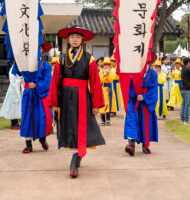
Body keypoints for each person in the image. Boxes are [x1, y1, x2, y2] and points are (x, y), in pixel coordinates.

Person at [49, 27, 105, 178]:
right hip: (65, 98)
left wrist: (96, 104)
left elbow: (94, 82)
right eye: (72, 37)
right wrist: (54, 103)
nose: (74, 39)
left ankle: (75, 160)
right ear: (68, 40)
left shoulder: (89, 59)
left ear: (82, 40)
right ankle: (77, 156)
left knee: (81, 127)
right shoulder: (61, 58)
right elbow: (54, 82)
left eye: (77, 37)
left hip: (82, 96)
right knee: (69, 127)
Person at [20, 42, 53, 153]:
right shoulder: (25, 65)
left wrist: (37, 85)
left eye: (39, 48)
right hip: (28, 93)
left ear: (43, 50)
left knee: (42, 117)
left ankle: (42, 139)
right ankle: (28, 144)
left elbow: (48, 80)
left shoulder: (46, 65)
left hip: (41, 95)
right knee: (27, 117)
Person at [124, 52, 159, 156]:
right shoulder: (132, 72)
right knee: (132, 121)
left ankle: (145, 145)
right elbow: (127, 85)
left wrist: (144, 97)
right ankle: (131, 145)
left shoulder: (152, 73)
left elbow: (154, 89)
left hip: (145, 102)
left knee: (146, 122)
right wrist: (134, 94)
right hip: (134, 100)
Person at [0, 61, 23, 129]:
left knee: (18, 106)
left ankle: (18, 122)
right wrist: (19, 81)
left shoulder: (19, 70)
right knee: (13, 107)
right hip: (14, 91)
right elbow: (13, 82)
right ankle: (14, 123)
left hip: (19, 90)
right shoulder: (12, 70)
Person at [99, 57, 117, 126]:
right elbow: (99, 79)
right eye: (105, 64)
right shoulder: (101, 72)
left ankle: (108, 120)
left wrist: (108, 75)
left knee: (109, 104)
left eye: (108, 64)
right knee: (102, 105)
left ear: (110, 65)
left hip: (109, 89)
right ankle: (103, 120)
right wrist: (104, 75)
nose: (106, 66)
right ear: (103, 65)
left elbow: (111, 79)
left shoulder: (112, 71)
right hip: (102, 89)